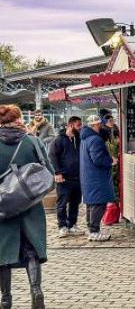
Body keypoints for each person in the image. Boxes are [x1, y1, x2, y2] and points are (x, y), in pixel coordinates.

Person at [0, 104, 50, 309]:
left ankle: (5, 299)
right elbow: (48, 171)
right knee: (31, 250)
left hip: (2, 206)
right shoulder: (33, 141)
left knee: (2, 254)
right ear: (19, 119)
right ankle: (36, 290)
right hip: (31, 205)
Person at [79, 115, 114, 242]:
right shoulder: (95, 140)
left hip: (88, 176)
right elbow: (98, 159)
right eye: (98, 124)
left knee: (91, 203)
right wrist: (110, 161)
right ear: (94, 125)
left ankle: (91, 229)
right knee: (98, 204)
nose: (100, 126)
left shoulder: (85, 138)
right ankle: (94, 231)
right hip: (97, 177)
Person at [49, 116, 84, 238]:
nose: (80, 127)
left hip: (78, 177)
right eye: (78, 125)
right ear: (70, 125)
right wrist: (57, 173)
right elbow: (52, 157)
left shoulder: (79, 139)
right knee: (62, 203)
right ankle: (62, 226)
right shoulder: (58, 140)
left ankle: (72, 225)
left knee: (75, 202)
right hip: (64, 177)